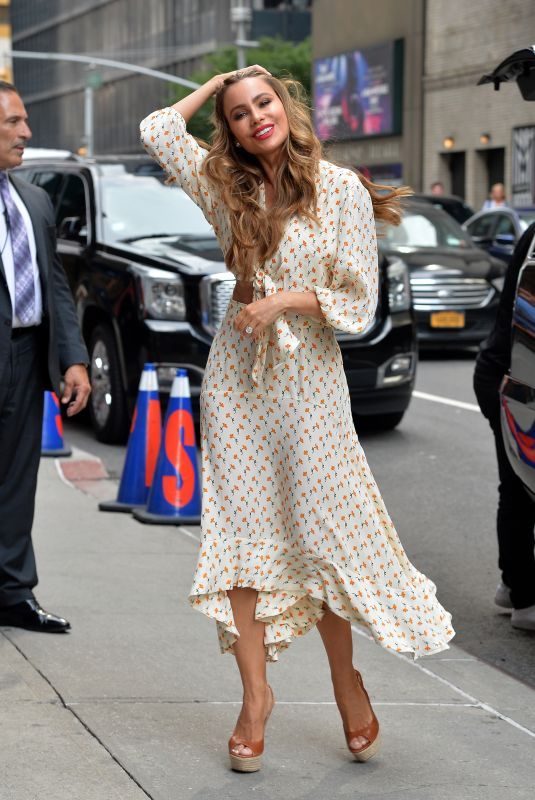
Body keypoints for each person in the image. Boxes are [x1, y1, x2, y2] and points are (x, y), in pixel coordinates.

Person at [141, 67, 454, 772]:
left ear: (284, 107)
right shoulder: (227, 186)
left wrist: (280, 302)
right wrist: (219, 78)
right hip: (237, 386)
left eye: (264, 101)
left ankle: (346, 681)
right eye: (240, 111)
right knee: (241, 537)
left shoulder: (339, 188)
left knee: (320, 536)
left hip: (309, 384)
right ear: (230, 129)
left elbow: (358, 299)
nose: (256, 116)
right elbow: (158, 129)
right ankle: (255, 698)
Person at [0, 82, 91, 634]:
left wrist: (72, 358)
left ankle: (12, 593)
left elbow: (54, 284)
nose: (26, 133)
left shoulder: (32, 198)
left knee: (16, 482)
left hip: (27, 355)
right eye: (13, 122)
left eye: (25, 121)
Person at [473, 222, 535, 630]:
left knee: (517, 486)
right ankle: (524, 597)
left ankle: (515, 588)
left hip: (512, 375)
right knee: (518, 487)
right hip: (514, 379)